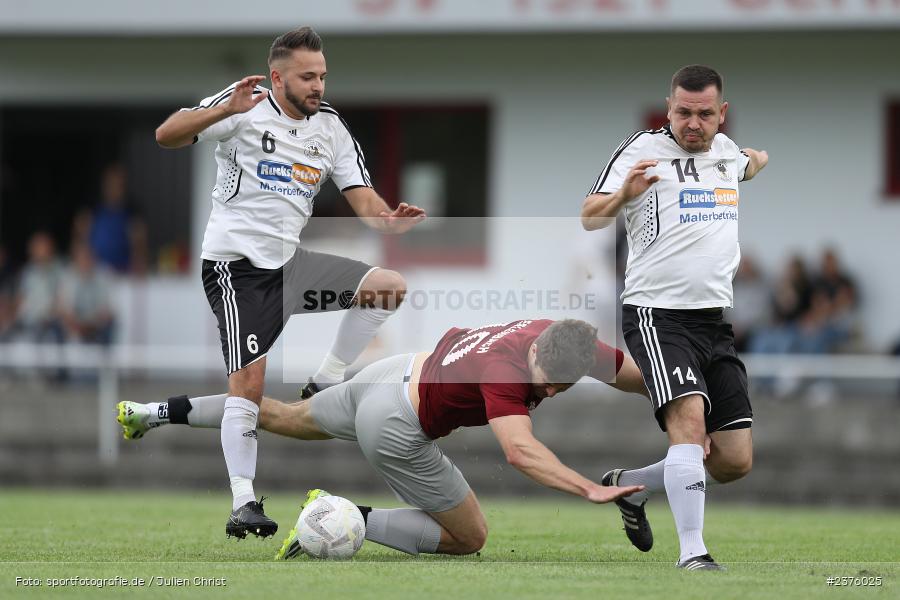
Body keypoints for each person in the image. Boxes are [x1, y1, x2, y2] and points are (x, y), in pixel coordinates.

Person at [151, 26, 426, 539]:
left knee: (388, 285)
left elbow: (360, 193)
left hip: (291, 268)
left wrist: (388, 219)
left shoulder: (331, 127)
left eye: (322, 75)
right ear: (277, 78)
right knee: (249, 387)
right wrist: (223, 111)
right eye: (307, 76)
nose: (318, 85)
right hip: (237, 271)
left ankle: (326, 379)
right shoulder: (244, 105)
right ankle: (243, 503)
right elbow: (166, 135)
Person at [117, 318, 647, 555]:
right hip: (396, 425)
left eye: (561, 387)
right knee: (470, 538)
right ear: (533, 357)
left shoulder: (563, 339)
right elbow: (518, 450)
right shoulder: (506, 371)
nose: (549, 393)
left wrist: (675, 401)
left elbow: (624, 371)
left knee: (275, 413)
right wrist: (588, 489)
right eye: (544, 384)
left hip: (389, 375)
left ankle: (154, 411)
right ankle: (341, 517)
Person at [581, 65, 769, 570]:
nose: (693, 123)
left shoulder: (727, 154)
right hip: (657, 314)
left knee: (733, 459)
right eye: (683, 112)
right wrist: (624, 195)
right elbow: (589, 215)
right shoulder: (640, 150)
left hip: (713, 321)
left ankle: (629, 487)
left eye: (705, 114)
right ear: (669, 108)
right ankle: (694, 555)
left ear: (720, 114)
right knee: (688, 424)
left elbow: (752, 161)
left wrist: (756, 160)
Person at [58, 243, 115, 345]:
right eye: (81, 259)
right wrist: (76, 325)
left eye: (88, 258)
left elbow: (108, 310)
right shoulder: (67, 278)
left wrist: (92, 325)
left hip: (96, 327)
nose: (85, 262)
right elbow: (63, 310)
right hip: (74, 328)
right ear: (75, 261)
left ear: (94, 259)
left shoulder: (104, 277)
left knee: (108, 329)